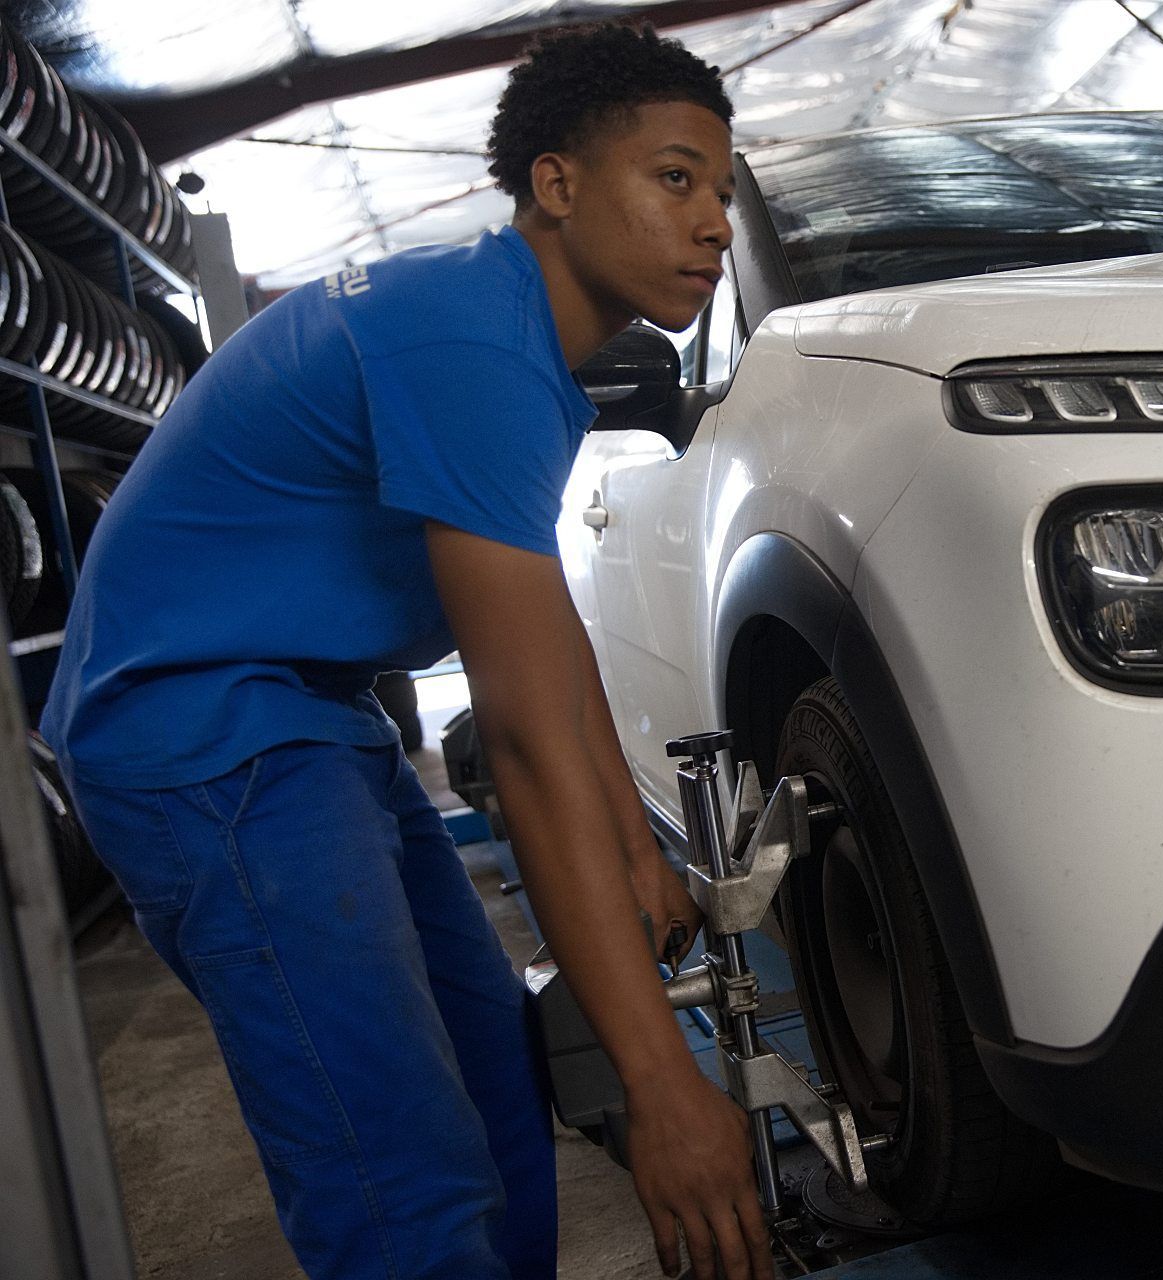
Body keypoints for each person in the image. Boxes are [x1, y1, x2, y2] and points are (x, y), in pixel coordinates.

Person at [39, 23, 772, 1280]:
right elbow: (527, 747)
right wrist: (664, 1087)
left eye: (718, 186)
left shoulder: (504, 335)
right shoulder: (471, 344)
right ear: (557, 184)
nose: (713, 221)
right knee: (396, 1158)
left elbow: (542, 645)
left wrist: (634, 838)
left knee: (492, 1063)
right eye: (673, 177)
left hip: (308, 715)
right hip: (207, 738)